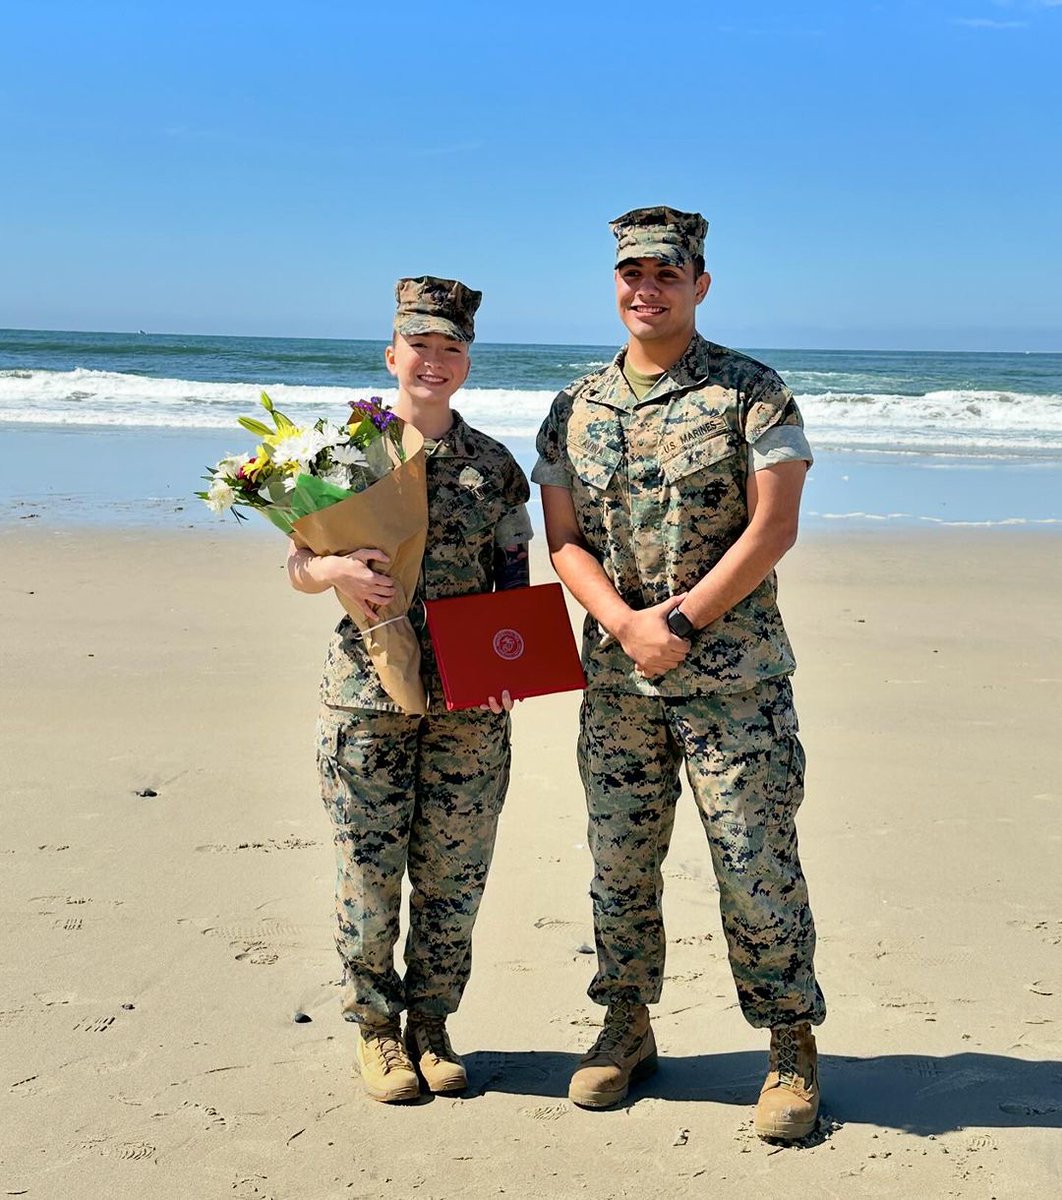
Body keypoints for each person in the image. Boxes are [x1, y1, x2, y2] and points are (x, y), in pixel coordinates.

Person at [533, 207, 826, 1140]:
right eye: (631, 274)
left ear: (700, 284)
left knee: (755, 863)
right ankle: (626, 1024)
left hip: (733, 684)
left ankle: (789, 1045)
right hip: (620, 686)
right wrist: (624, 625)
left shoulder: (753, 392)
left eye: (666, 273)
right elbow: (565, 541)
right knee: (619, 863)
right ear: (614, 285)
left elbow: (772, 528)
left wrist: (682, 622)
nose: (645, 289)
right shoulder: (575, 404)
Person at [288, 276, 532, 1102]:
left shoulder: (493, 467)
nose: (435, 361)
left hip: (470, 702)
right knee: (367, 868)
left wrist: (512, 669)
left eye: (451, 348)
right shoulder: (343, 454)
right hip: (366, 694)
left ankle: (432, 1025)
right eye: (420, 347)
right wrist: (329, 568)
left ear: (468, 361)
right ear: (392, 355)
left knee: (454, 871)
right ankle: (376, 1032)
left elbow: (511, 580)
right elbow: (297, 565)